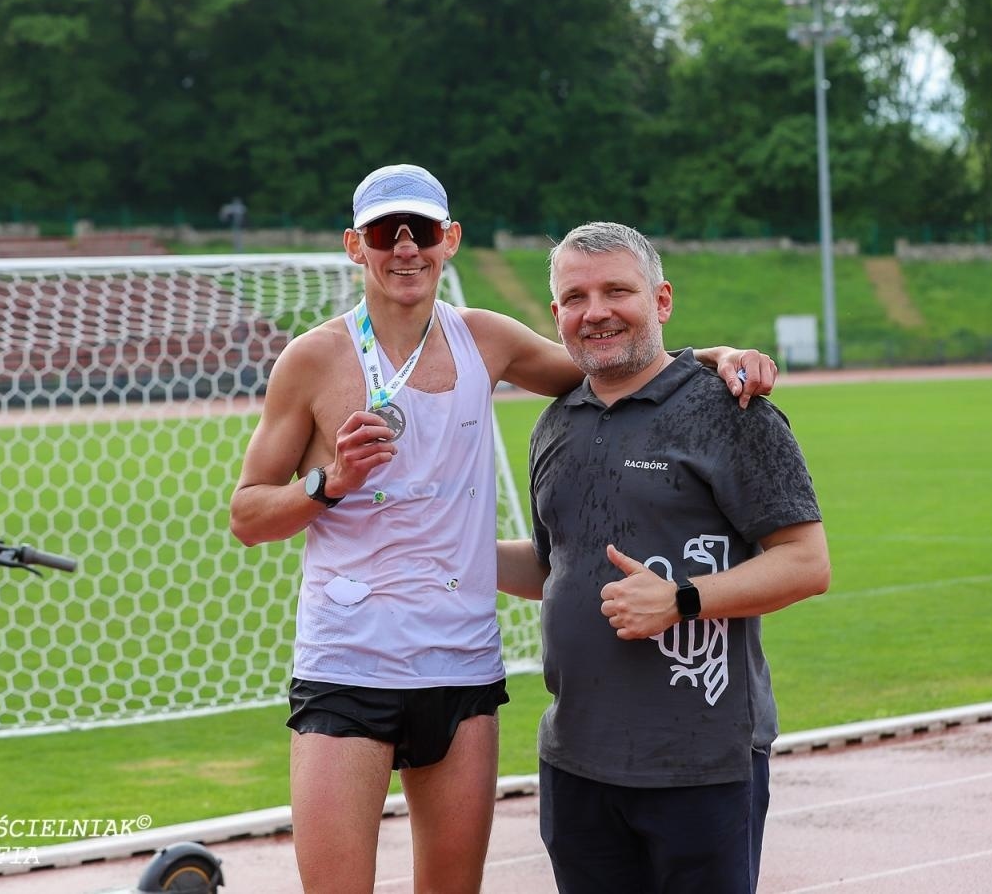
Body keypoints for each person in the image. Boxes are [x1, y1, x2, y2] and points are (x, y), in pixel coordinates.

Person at [228, 167, 777, 894]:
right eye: (384, 234)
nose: (404, 248)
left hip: (460, 663)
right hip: (349, 661)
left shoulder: (484, 339)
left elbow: (613, 364)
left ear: (449, 240)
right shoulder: (313, 359)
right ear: (355, 246)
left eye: (421, 231)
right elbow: (247, 515)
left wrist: (713, 358)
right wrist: (329, 482)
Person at [497, 220, 830, 894]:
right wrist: (443, 552)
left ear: (662, 300)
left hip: (701, 761)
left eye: (617, 291)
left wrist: (682, 600)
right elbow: (554, 566)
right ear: (556, 313)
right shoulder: (555, 423)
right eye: (575, 297)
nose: (596, 312)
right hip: (576, 761)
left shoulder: (731, 409)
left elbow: (805, 562)